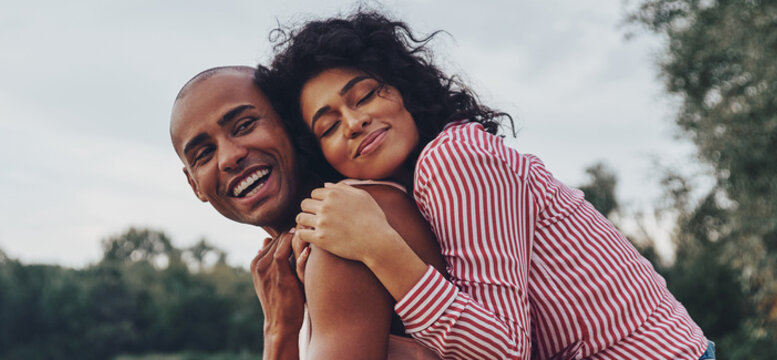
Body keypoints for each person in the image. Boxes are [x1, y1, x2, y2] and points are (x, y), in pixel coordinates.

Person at [257, 12, 715, 359]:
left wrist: (378, 246)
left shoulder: (454, 159)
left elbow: (503, 350)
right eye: (329, 125)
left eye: (366, 94)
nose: (355, 122)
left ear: (403, 92)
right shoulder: (412, 191)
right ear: (323, 154)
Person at [169, 65, 446, 359]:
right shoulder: (306, 249)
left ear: (292, 124)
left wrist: (278, 334)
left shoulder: (343, 231)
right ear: (194, 184)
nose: (229, 157)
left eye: (245, 126)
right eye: (203, 154)